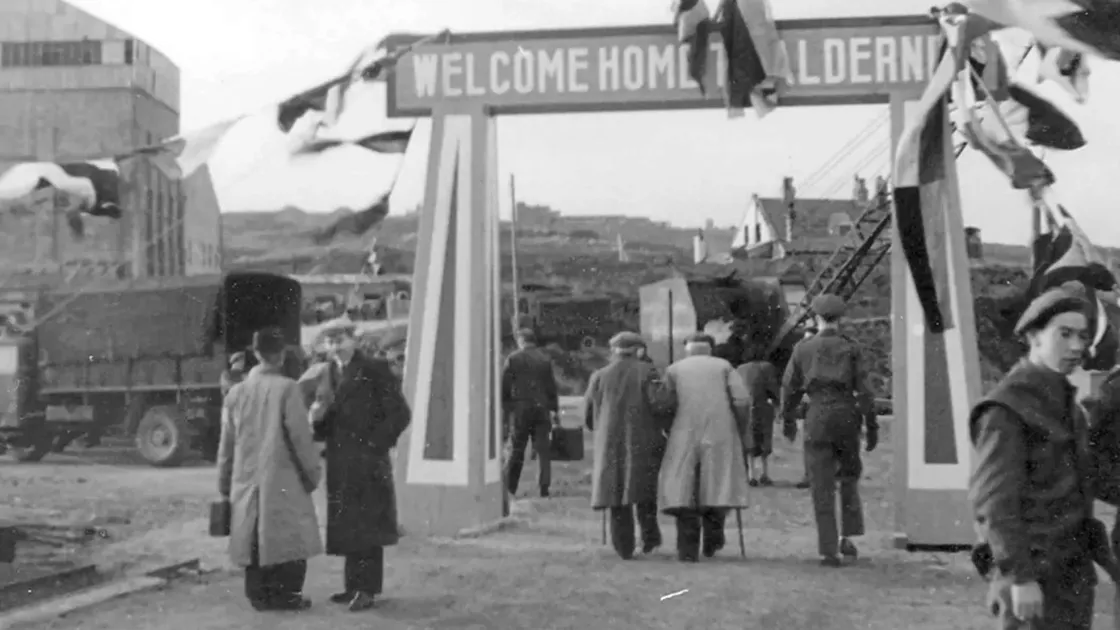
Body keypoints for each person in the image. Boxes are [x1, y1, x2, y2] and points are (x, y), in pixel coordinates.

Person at [971, 286, 1108, 629]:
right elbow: (994, 503)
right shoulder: (1007, 408)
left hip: (1071, 577)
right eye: (1064, 334)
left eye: (1083, 336)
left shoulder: (1066, 405)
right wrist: (1020, 577)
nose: (1076, 346)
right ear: (1034, 336)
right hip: (1030, 578)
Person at [306, 316, 411, 612]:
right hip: (340, 461)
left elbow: (400, 413)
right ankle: (353, 585)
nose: (335, 346)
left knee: (368, 526)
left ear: (354, 339)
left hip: (368, 461)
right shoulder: (328, 371)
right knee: (349, 525)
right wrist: (316, 421)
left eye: (340, 339)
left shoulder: (374, 368)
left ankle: (367, 589)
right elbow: (327, 420)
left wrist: (376, 445)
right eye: (330, 341)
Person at [217, 328, 323, 612]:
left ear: (255, 354)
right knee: (288, 535)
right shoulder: (288, 388)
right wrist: (313, 474)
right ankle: (287, 596)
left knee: (251, 536)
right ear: (282, 354)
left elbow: (226, 447)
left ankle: (258, 596)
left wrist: (224, 484)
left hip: (245, 479)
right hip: (283, 478)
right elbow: (301, 439)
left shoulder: (235, 393)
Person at [780, 294, 877, 567]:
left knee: (820, 484)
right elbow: (866, 391)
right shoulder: (851, 348)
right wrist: (871, 425)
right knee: (848, 477)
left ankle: (828, 549)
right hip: (846, 415)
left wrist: (788, 419)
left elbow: (789, 388)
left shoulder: (803, 349)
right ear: (841, 318)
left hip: (817, 416)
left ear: (815, 317)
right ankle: (847, 536)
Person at [658, 332, 751, 562]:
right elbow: (742, 400)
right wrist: (739, 426)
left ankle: (687, 549)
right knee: (717, 483)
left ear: (687, 348)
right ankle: (713, 537)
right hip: (721, 431)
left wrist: (667, 427)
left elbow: (664, 404)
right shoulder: (725, 367)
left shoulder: (674, 370)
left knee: (684, 488)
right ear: (711, 348)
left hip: (683, 432)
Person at [584, 331, 668, 559]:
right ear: (639, 351)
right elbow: (660, 405)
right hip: (643, 440)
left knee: (615, 491)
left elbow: (589, 416)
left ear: (614, 351)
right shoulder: (648, 372)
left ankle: (623, 546)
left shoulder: (599, 376)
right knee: (644, 490)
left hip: (609, 442)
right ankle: (649, 538)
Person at [502, 328, 560, 498]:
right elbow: (551, 387)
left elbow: (505, 385)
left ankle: (509, 486)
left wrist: (507, 408)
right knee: (543, 450)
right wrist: (554, 410)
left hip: (521, 408)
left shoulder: (513, 358)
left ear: (521, 340)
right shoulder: (544, 359)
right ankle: (544, 486)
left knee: (517, 449)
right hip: (541, 408)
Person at [737, 350, 780, 487]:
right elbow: (773, 388)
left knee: (749, 439)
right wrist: (778, 403)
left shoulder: (740, 369)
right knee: (764, 439)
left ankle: (751, 474)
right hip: (763, 406)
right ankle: (764, 473)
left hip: (745, 407)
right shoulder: (767, 367)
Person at [795, 326, 818, 490]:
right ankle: (809, 474)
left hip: (816, 399)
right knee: (808, 440)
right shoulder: (802, 356)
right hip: (808, 400)